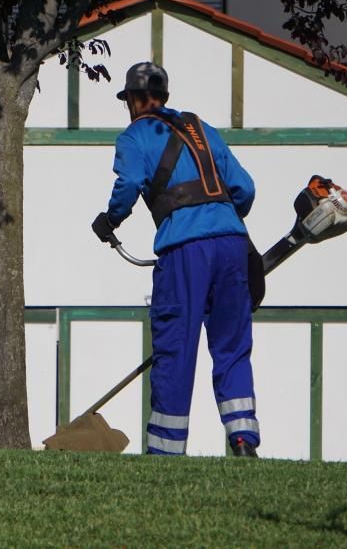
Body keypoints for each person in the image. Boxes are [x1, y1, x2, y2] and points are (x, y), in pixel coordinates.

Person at [91, 62, 260, 458]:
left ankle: (166, 453)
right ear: (164, 97)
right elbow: (245, 189)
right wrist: (221, 221)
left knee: (176, 348)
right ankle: (242, 439)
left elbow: (130, 183)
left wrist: (110, 220)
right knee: (232, 344)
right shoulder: (202, 130)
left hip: (185, 251)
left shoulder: (135, 135)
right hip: (234, 243)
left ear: (133, 100)